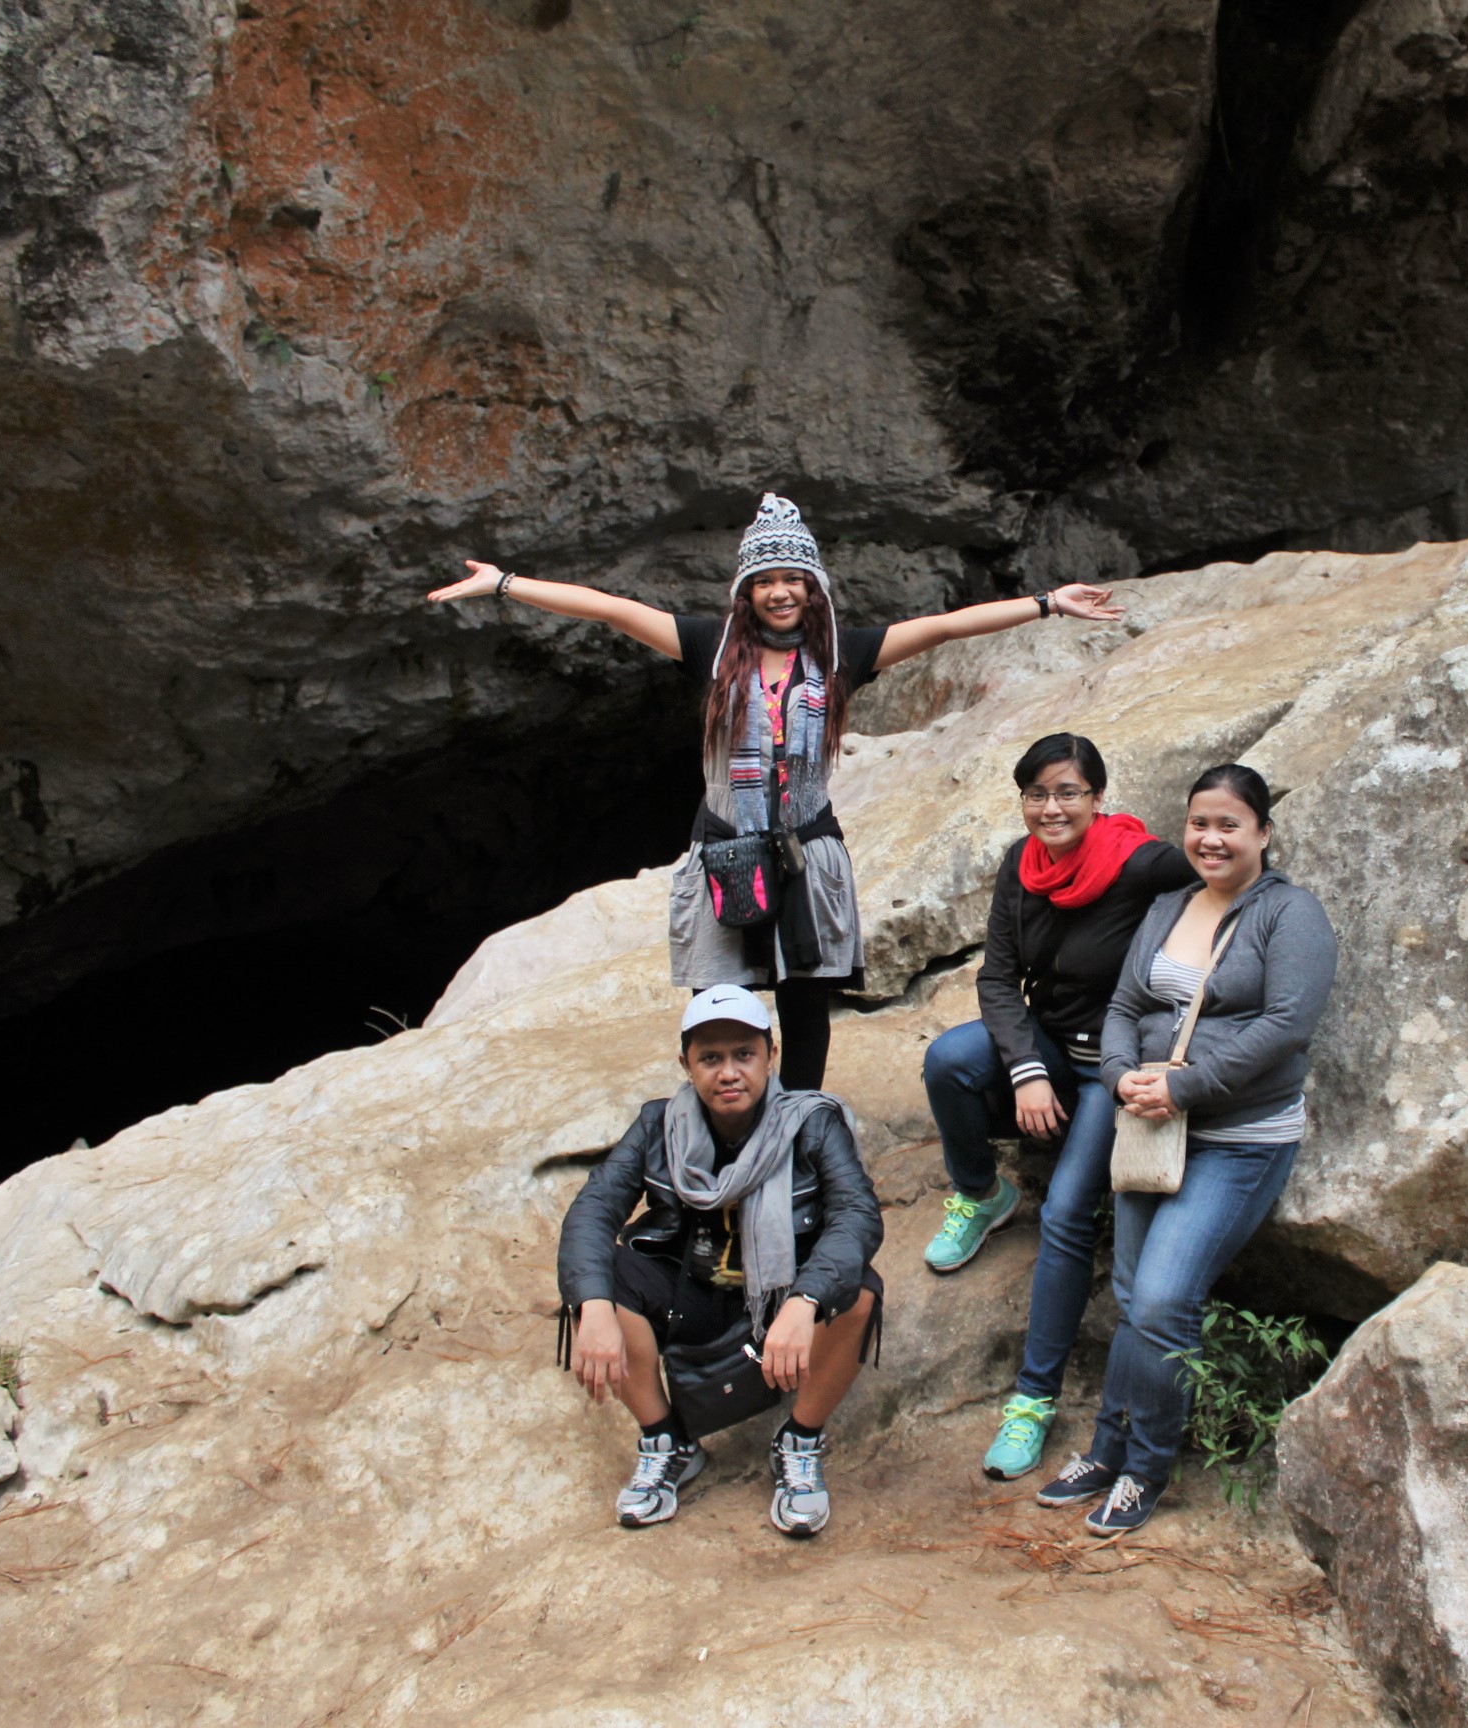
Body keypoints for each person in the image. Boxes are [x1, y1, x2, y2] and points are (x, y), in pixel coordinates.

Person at [430, 495, 1124, 1088]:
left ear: (814, 587)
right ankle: (729, 1110)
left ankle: (801, 1120)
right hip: (726, 850)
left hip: (804, 850)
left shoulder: (841, 654)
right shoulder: (710, 645)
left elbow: (944, 626)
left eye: (795, 578)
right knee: (721, 1005)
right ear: (747, 589)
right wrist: (504, 583)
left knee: (803, 1002)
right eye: (767, 580)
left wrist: (1045, 604)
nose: (782, 592)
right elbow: (612, 609)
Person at [1038, 764, 1337, 1536]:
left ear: (1263, 833)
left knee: (1166, 1298)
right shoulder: (1170, 905)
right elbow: (1126, 1003)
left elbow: (1286, 1028)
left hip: (1239, 1140)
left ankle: (1146, 1467)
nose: (1211, 837)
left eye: (1229, 824)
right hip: (1153, 1128)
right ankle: (1109, 1447)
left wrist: (1186, 1084)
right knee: (1136, 1297)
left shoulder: (1291, 915)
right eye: (1200, 822)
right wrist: (1116, 1077)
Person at [917, 732, 1198, 1481]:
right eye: (1038, 793)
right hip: (1047, 1044)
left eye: (1069, 792)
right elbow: (999, 979)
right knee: (948, 1060)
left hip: (1111, 1065)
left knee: (1070, 1212)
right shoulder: (1023, 863)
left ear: (1098, 798)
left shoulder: (1142, 863)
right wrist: (1027, 1070)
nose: (1052, 808)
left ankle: (1032, 1401)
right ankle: (982, 1192)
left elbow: (1223, 870)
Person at [555, 984, 884, 1537]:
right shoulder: (657, 1126)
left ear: (771, 1055)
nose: (729, 1072)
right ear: (685, 1064)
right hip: (691, 1292)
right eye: (710, 1058)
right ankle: (667, 1441)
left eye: (743, 1055)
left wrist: (805, 1302)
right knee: (600, 1279)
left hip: (779, 1296)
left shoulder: (811, 1123)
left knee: (858, 1291)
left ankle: (799, 1441)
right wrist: (590, 1306)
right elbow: (591, 1214)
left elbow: (858, 1215)